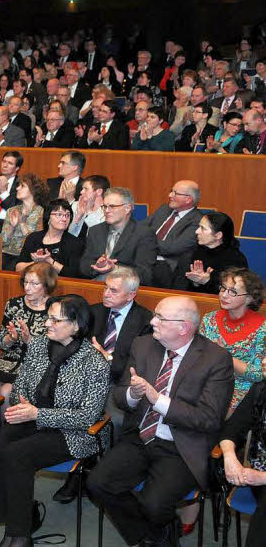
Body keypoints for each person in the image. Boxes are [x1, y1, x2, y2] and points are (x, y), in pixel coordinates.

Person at [87, 296, 234, 547]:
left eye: (160, 318)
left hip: (182, 446)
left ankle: (157, 532)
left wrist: (157, 400)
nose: (152, 321)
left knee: (153, 504)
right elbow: (120, 395)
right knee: (98, 484)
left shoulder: (215, 359)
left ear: (183, 327)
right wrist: (133, 395)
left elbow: (208, 418)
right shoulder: (143, 345)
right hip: (140, 437)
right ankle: (153, 536)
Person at [0, 295, 110, 547]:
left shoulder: (95, 362)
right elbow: (22, 382)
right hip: (34, 417)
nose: (47, 324)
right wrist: (22, 404)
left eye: (55, 319)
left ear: (76, 325)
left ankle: (19, 536)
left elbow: (88, 416)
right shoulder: (40, 345)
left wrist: (38, 414)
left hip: (73, 432)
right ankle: (14, 517)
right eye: (47, 317)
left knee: (17, 455)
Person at [198, 268, 266, 412]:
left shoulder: (262, 328)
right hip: (207, 381)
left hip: (241, 388)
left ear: (249, 298)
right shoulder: (209, 319)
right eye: (223, 289)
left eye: (233, 292)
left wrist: (224, 355)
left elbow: (258, 374)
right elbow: (197, 357)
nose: (224, 295)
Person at [0, 263, 55, 398]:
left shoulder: (55, 309)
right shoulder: (13, 304)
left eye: (34, 284)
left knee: (6, 392)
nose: (27, 288)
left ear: (47, 285)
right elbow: (0, 343)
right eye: (26, 282)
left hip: (36, 367)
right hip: (6, 363)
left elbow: (55, 351)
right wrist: (11, 338)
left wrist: (30, 340)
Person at [219, 380, 266, 547]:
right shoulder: (260, 390)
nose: (264, 360)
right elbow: (231, 429)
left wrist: (263, 477)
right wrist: (230, 456)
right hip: (258, 477)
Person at [79, 187, 157, 284]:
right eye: (104, 206)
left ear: (127, 208)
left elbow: (145, 275)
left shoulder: (144, 233)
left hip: (125, 288)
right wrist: (97, 267)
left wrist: (115, 268)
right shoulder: (95, 230)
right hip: (96, 284)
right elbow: (84, 265)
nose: (106, 210)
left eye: (112, 206)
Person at [172, 212, 248, 294]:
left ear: (218, 235)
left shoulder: (235, 260)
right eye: (199, 226)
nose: (197, 231)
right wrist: (196, 282)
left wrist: (207, 281)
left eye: (203, 228)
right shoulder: (192, 253)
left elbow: (234, 294)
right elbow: (179, 288)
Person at [146, 180, 202, 288]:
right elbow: (142, 228)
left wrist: (145, 241)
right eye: (171, 191)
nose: (170, 195)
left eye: (175, 193)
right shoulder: (164, 209)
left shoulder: (197, 221)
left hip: (167, 267)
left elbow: (171, 248)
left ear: (188, 199)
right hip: (147, 258)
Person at [15, 199, 83, 277]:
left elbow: (74, 274)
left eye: (67, 215)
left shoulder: (75, 243)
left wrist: (49, 261)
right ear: (48, 216)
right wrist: (37, 262)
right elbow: (18, 268)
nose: (64, 219)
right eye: (59, 215)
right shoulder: (33, 238)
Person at [0, 173, 48, 270]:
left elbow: (36, 243)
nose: (17, 188)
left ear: (33, 190)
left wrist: (22, 224)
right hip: (6, 253)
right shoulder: (12, 210)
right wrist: (12, 227)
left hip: (27, 256)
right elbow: (1, 241)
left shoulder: (41, 212)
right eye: (18, 186)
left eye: (22, 186)